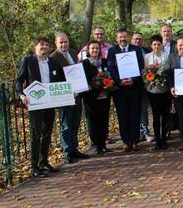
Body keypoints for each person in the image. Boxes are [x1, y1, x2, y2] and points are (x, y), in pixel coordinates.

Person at [15, 37, 65, 178]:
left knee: (47, 132)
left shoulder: (53, 62)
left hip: (50, 102)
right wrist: (21, 95)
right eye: (41, 44)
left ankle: (44, 162)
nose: (44, 47)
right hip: (35, 101)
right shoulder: (28, 61)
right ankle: (34, 166)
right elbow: (19, 81)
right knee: (36, 134)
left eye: (46, 45)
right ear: (35, 47)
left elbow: (61, 80)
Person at [50, 32, 89, 163]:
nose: (63, 44)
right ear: (56, 43)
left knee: (75, 123)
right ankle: (67, 152)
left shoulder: (74, 53)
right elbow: (53, 78)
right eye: (61, 42)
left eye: (65, 42)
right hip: (65, 96)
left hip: (77, 94)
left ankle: (74, 148)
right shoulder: (53, 58)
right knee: (66, 125)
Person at [107, 28, 145, 152]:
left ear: (128, 37)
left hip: (135, 87)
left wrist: (133, 80)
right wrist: (119, 81)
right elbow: (111, 68)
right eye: (120, 37)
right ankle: (126, 142)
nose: (123, 39)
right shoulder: (112, 50)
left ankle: (135, 141)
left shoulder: (137, 49)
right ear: (116, 38)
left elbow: (141, 67)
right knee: (122, 116)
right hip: (120, 89)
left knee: (135, 114)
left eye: (124, 37)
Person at [81, 40, 112, 155]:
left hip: (104, 97)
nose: (95, 50)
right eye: (92, 48)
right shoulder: (84, 63)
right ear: (88, 50)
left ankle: (103, 144)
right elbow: (85, 81)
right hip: (91, 98)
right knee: (93, 121)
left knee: (104, 120)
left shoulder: (104, 62)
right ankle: (95, 145)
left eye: (97, 48)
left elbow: (110, 76)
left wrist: (107, 87)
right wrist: (96, 90)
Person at [143, 35, 170, 150]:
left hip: (165, 90)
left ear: (161, 45)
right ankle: (157, 140)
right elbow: (143, 73)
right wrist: (149, 70)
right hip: (152, 90)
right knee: (155, 115)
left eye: (159, 44)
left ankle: (164, 138)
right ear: (151, 46)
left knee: (165, 115)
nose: (156, 46)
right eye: (154, 44)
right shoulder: (147, 57)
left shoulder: (167, 56)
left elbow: (169, 70)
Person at [131, 32, 153, 143]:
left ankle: (145, 132)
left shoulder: (147, 51)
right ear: (131, 40)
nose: (137, 41)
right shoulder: (128, 52)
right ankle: (136, 133)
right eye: (135, 39)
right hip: (132, 85)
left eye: (139, 39)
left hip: (146, 84)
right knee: (134, 110)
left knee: (144, 109)